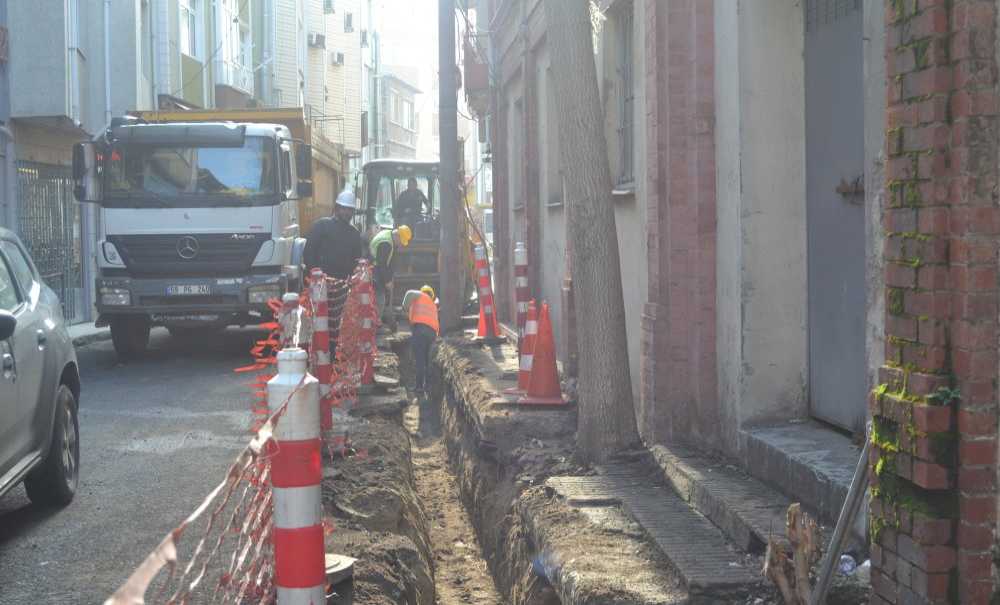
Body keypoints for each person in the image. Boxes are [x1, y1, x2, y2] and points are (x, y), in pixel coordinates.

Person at [303, 188, 364, 280]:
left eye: (350, 209)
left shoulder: (354, 234)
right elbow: (309, 253)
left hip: (343, 285)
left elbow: (356, 260)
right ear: (337, 208)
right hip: (321, 282)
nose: (347, 212)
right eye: (344, 208)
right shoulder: (321, 226)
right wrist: (315, 275)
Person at [369, 224, 412, 332]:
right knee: (380, 300)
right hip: (375, 272)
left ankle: (376, 323)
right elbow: (381, 264)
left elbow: (388, 262)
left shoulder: (389, 236)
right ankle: (374, 327)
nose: (401, 244)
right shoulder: (386, 243)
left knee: (381, 299)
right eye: (401, 241)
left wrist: (390, 277)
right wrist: (387, 281)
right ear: (397, 235)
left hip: (378, 271)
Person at [403, 285, 439, 399]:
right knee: (427, 361)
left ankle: (419, 387)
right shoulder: (433, 305)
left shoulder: (419, 295)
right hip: (432, 333)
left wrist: (405, 307)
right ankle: (428, 386)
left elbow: (409, 292)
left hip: (420, 331)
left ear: (423, 292)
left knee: (419, 360)